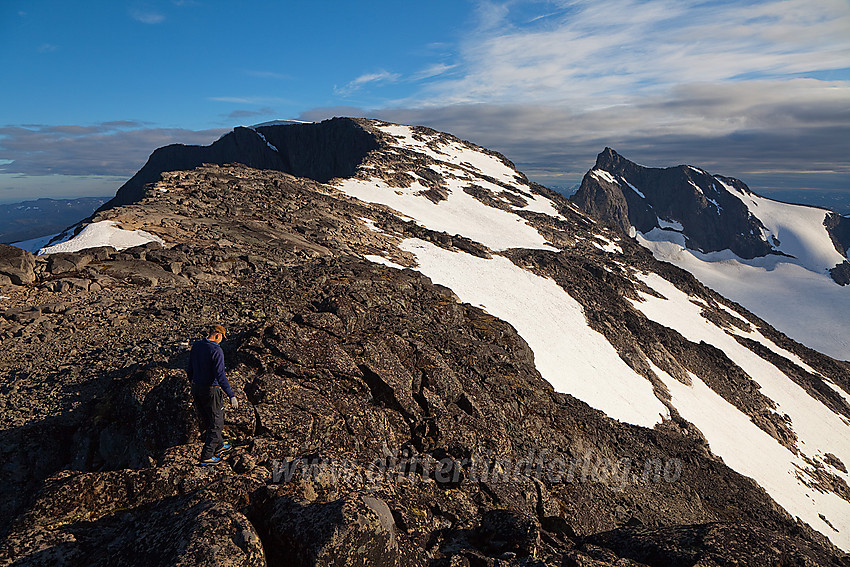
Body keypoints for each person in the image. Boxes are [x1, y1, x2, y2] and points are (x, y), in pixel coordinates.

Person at [187, 324, 238, 465]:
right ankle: (207, 456)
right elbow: (220, 375)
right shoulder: (216, 350)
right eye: (222, 337)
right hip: (211, 390)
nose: (222, 340)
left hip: (197, 387)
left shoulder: (197, 345)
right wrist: (231, 394)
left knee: (207, 419)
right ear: (217, 335)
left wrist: (193, 383)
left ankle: (220, 445)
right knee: (216, 422)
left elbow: (189, 367)